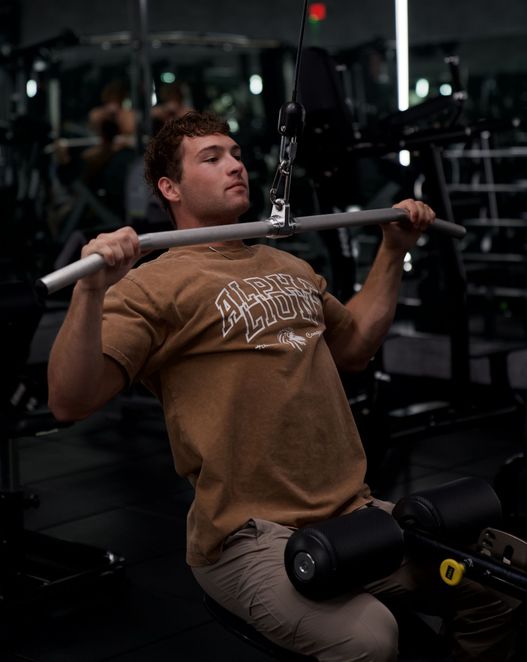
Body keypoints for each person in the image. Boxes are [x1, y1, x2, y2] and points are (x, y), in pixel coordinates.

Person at [47, 110, 520, 662]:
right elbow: (68, 400)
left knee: (499, 587)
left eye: (237, 154)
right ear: (169, 188)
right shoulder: (153, 285)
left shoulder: (289, 264)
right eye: (213, 157)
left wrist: (394, 248)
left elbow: (355, 347)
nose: (236, 166)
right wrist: (89, 292)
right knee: (370, 639)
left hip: (353, 512)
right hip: (247, 538)